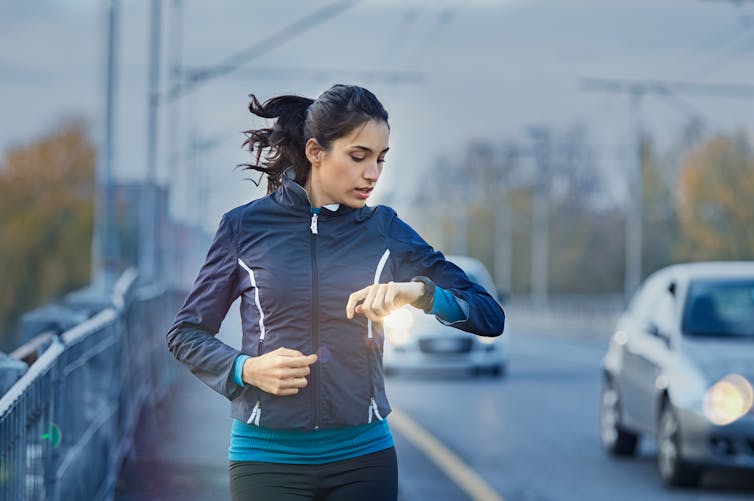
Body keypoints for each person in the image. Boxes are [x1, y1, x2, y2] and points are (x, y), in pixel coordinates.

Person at [165, 84, 506, 501]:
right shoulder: (244, 228)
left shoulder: (384, 230)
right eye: (359, 156)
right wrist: (244, 369)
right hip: (266, 459)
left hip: (364, 458)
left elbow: (490, 315)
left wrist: (418, 292)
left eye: (381, 159)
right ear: (315, 152)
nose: (373, 174)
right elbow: (185, 333)